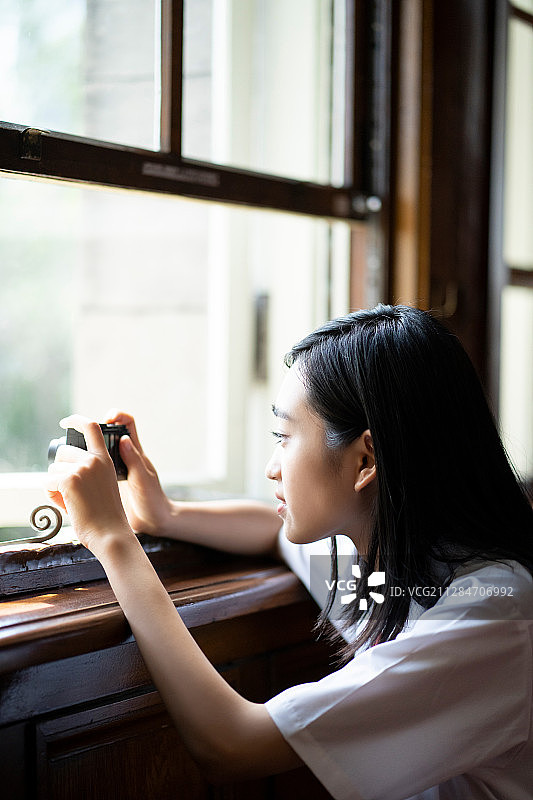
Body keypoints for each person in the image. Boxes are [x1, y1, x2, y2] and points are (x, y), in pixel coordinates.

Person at [47, 304, 533, 800]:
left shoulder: (495, 618)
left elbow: (231, 744)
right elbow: (271, 531)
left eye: (283, 437)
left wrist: (113, 538)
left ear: (365, 460)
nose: (271, 468)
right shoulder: (394, 563)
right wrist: (166, 515)